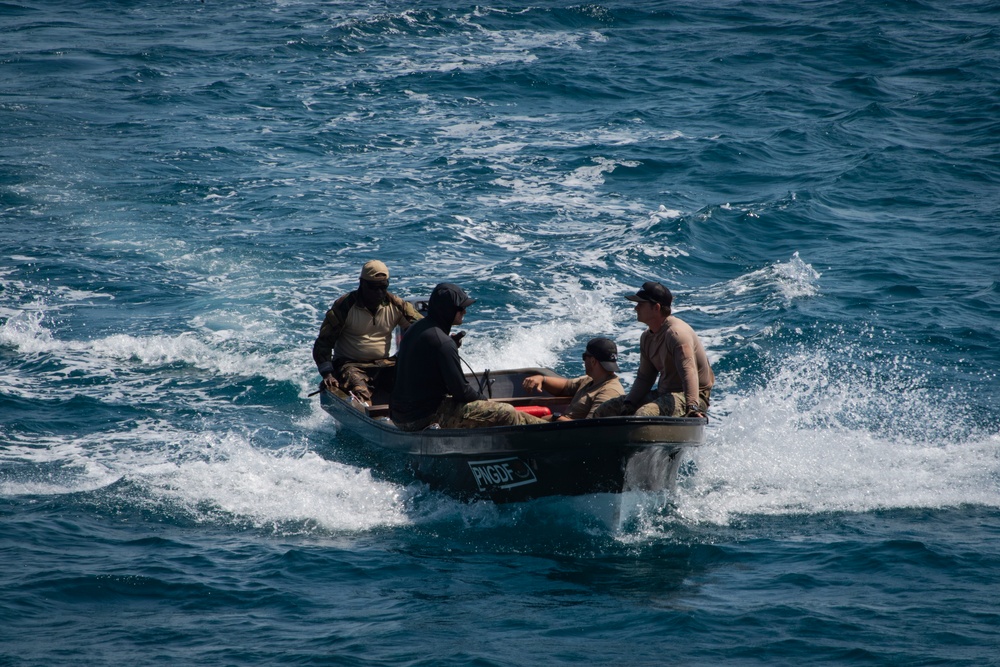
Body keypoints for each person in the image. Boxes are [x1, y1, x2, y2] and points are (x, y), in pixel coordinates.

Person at [390, 282, 547, 431]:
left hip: (399, 415)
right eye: (461, 308)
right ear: (448, 310)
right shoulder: (443, 343)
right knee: (506, 412)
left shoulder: (416, 328)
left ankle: (548, 422)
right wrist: (484, 402)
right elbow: (461, 392)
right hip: (422, 418)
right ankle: (539, 437)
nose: (464, 311)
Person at [594, 281, 714, 419]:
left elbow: (689, 373)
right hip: (664, 394)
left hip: (693, 396)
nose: (636, 308)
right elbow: (645, 377)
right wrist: (629, 403)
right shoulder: (647, 337)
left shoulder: (677, 335)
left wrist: (692, 407)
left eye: (641, 304)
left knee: (644, 415)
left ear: (656, 307)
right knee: (605, 411)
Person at [312, 260, 422, 404]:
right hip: (350, 365)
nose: (379, 293)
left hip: (383, 364)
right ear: (362, 284)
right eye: (373, 288)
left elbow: (423, 328)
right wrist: (327, 374)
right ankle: (370, 418)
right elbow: (323, 344)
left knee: (418, 382)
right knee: (360, 391)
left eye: (383, 287)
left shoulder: (396, 305)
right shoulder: (344, 307)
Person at [521, 337, 625, 420]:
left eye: (585, 357)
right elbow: (565, 386)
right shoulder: (591, 380)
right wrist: (542, 379)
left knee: (507, 414)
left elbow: (591, 428)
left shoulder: (610, 391)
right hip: (559, 430)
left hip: (565, 434)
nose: (584, 361)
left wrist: (556, 418)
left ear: (593, 361)